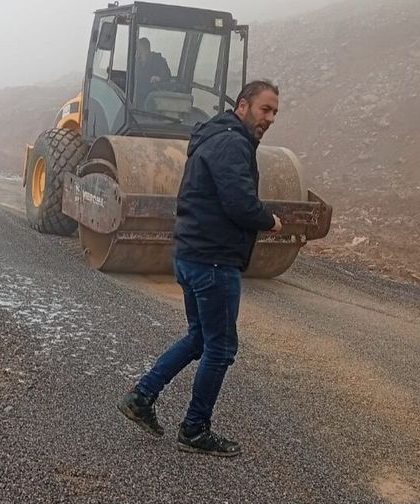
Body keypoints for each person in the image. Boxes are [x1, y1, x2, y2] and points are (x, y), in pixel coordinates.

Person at [117, 80, 284, 457]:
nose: (270, 118)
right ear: (243, 106)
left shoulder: (215, 136)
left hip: (193, 254)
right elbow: (239, 202)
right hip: (212, 259)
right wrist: (269, 220)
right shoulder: (231, 143)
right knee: (221, 348)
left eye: (275, 112)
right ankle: (194, 428)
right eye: (265, 109)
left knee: (199, 339)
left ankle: (142, 397)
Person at [133, 37, 172, 108]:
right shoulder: (136, 63)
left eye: (138, 50)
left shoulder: (158, 61)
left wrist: (159, 78)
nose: (137, 52)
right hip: (137, 100)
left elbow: (167, 76)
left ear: (145, 49)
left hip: (153, 102)